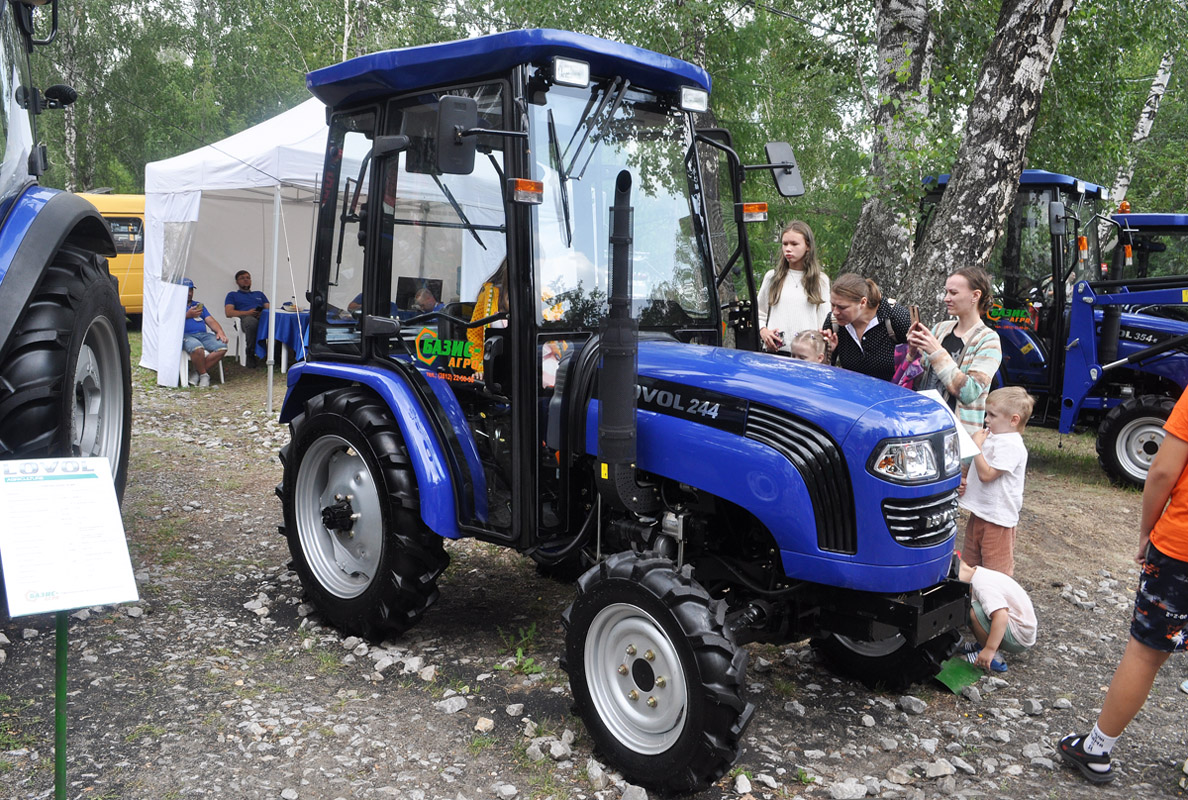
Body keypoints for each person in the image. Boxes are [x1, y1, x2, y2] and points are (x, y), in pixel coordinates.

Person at [1058, 389, 1188, 784]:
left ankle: (1096, 749)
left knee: (1146, 654)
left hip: (1181, 547)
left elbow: (1163, 470)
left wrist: (1147, 531)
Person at [907, 266, 1002, 435]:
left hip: (958, 437)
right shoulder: (940, 329)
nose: (946, 298)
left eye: (953, 293)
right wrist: (912, 353)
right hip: (923, 427)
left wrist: (936, 352)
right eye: (946, 292)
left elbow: (969, 392)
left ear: (975, 296)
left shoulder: (989, 340)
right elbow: (918, 382)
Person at [959, 387, 1035, 577]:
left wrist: (976, 446)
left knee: (995, 575)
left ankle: (997, 604)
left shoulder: (1012, 445)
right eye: (986, 414)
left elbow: (987, 475)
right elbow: (976, 469)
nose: (986, 420)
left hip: (998, 519)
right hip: (979, 513)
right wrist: (964, 478)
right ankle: (972, 603)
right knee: (968, 566)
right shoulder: (992, 436)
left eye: (992, 415)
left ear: (1013, 420)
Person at [821, 273, 912, 381]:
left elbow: (920, 359)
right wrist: (827, 351)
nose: (835, 311)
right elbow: (823, 370)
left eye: (842, 307)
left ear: (863, 302)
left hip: (892, 394)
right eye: (832, 305)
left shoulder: (895, 317)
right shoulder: (834, 322)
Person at [757, 221, 830, 354]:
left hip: (807, 354)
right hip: (775, 351)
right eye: (785, 244)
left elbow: (824, 321)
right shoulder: (772, 277)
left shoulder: (820, 280)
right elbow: (758, 312)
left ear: (807, 246)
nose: (788, 249)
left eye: (794, 244)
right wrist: (763, 331)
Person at [957, 559, 1036, 673]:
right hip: (1017, 627)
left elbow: (1001, 616)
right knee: (971, 606)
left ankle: (994, 657)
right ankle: (982, 645)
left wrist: (990, 649)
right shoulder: (978, 573)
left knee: (973, 612)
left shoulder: (981, 586)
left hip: (1019, 635)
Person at [182, 278, 227, 388]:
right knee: (197, 348)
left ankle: (197, 372)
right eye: (186, 290)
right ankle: (204, 375)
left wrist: (220, 331)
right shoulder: (174, 304)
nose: (189, 293)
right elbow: (170, 322)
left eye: (191, 290)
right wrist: (187, 315)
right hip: (185, 335)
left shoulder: (197, 305)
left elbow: (210, 320)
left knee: (222, 347)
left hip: (203, 335)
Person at [224, 270, 269, 367]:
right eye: (242, 278)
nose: (246, 280)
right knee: (251, 322)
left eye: (248, 278)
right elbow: (228, 312)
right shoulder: (232, 295)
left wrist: (261, 313)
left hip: (261, 318)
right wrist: (248, 313)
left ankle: (276, 355)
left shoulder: (259, 294)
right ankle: (250, 353)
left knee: (278, 322)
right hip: (244, 320)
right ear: (237, 282)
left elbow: (269, 308)